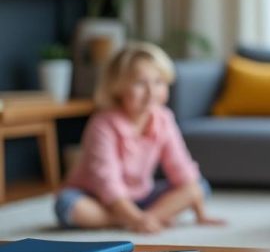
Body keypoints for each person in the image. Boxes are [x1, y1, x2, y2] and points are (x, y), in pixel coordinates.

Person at [55, 42, 223, 233]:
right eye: (140, 83)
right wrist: (136, 218)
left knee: (199, 187)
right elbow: (106, 181)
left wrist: (200, 213)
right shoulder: (102, 124)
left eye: (158, 82)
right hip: (98, 196)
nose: (151, 92)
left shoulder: (164, 118)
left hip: (142, 196)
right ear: (117, 88)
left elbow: (181, 166)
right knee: (66, 204)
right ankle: (133, 218)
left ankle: (137, 218)